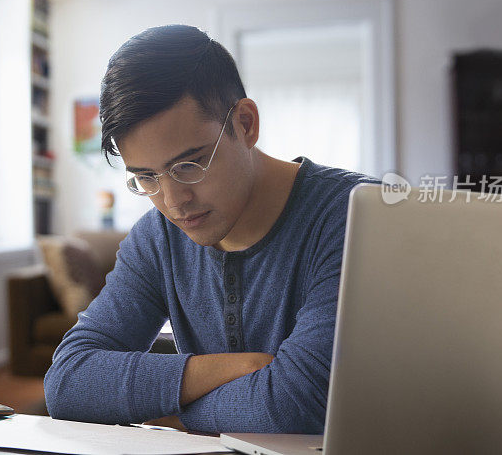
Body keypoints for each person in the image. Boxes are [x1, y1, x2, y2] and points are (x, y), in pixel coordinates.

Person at [44, 24, 376, 433]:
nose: (172, 201)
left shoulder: (357, 216)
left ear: (246, 123)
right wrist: (242, 369)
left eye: (189, 165)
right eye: (146, 177)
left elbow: (297, 407)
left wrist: (172, 414)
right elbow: (68, 382)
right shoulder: (158, 238)